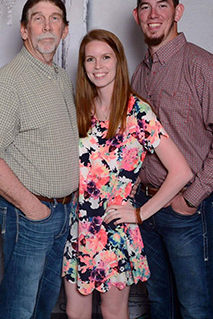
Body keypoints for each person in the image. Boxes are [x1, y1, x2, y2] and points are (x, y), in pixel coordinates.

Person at [131, 0, 213, 319]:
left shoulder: (205, 68)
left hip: (185, 210)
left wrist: (191, 197)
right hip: (147, 206)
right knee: (159, 304)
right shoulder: (139, 75)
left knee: (195, 307)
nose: (153, 15)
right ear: (137, 16)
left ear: (177, 11)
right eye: (145, 7)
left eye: (162, 6)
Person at [62, 29, 192, 319]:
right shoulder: (79, 109)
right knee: (75, 312)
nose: (98, 66)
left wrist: (141, 213)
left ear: (118, 61)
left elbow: (181, 171)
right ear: (83, 66)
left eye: (105, 57)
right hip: (77, 228)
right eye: (90, 59)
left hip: (115, 230)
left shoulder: (137, 112)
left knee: (113, 313)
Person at [0, 0, 79, 319]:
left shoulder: (61, 78)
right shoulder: (9, 82)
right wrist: (32, 208)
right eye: (38, 19)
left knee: (43, 306)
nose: (47, 27)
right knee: (19, 307)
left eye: (54, 19)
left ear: (65, 29)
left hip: (61, 214)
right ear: (24, 30)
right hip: (30, 214)